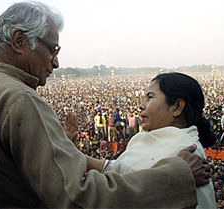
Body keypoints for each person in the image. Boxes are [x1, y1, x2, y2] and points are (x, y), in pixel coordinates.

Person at [0, 2, 209, 208]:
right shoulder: (18, 99)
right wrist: (177, 175)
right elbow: (77, 197)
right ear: (19, 41)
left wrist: (62, 149)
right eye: (51, 49)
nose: (56, 63)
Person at [89, 73, 216, 208]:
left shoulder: (183, 152)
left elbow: (126, 191)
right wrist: (70, 151)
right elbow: (117, 169)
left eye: (150, 98)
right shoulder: (151, 141)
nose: (141, 106)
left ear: (177, 107)